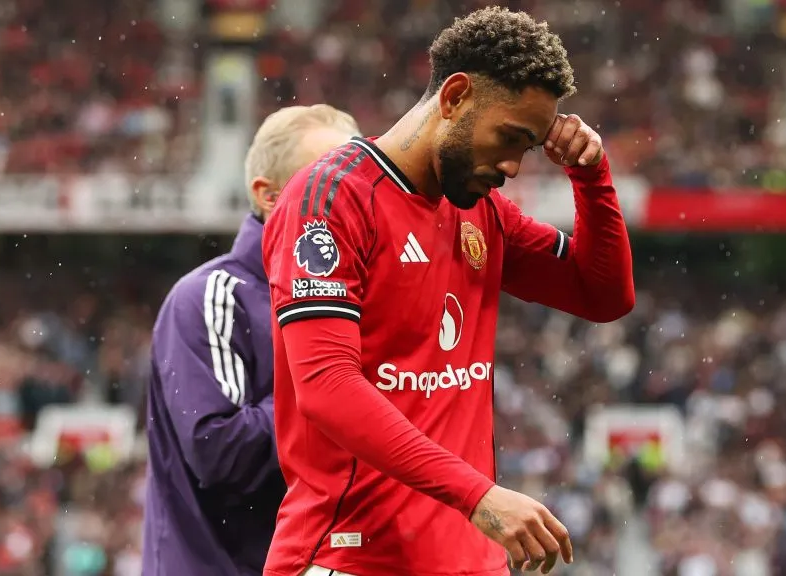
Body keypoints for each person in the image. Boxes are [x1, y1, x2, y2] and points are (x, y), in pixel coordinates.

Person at [261, 7, 635, 576]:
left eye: (528, 148)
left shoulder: (483, 212)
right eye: (509, 137)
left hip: (469, 562)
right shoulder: (332, 197)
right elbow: (326, 384)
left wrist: (591, 176)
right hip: (354, 559)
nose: (512, 165)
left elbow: (603, 296)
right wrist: (479, 496)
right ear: (456, 96)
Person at [143, 104, 361, 576]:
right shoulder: (209, 297)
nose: (351, 200)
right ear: (268, 195)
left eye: (356, 182)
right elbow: (219, 452)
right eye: (325, 182)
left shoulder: (360, 298)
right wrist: (331, 383)